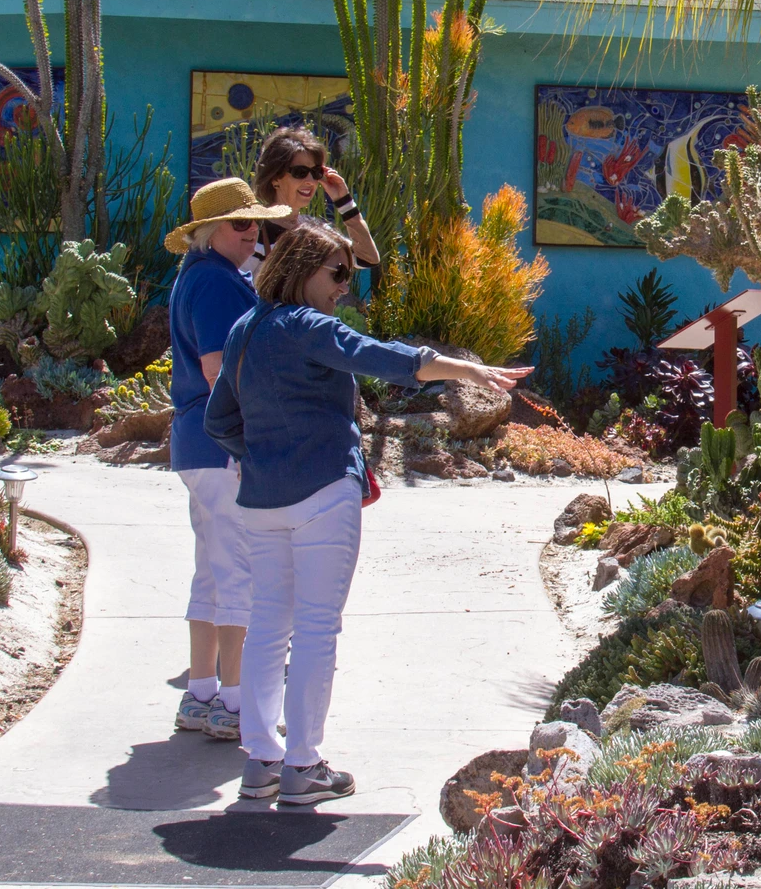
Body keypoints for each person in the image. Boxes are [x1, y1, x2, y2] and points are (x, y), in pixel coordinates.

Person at [205, 221, 531, 805]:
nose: (344, 288)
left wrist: (260, 457)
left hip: (261, 500)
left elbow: (218, 420)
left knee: (268, 628)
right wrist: (468, 369)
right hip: (323, 492)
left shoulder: (243, 330)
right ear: (302, 267)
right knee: (315, 629)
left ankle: (260, 761)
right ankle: (303, 764)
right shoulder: (309, 326)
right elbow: (380, 357)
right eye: (337, 273)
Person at [163, 178, 291, 741]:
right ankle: (236, 703)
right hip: (224, 446)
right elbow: (221, 370)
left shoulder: (197, 277)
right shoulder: (216, 283)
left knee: (212, 570)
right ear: (211, 232)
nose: (252, 234)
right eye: (242, 224)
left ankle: (201, 693)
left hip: (196, 443)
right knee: (242, 570)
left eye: (256, 224)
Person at [250, 127, 379, 272]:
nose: (310, 181)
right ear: (275, 178)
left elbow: (367, 259)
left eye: (316, 172)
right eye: (300, 172)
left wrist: (344, 202)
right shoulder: (252, 233)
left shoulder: (316, 229)